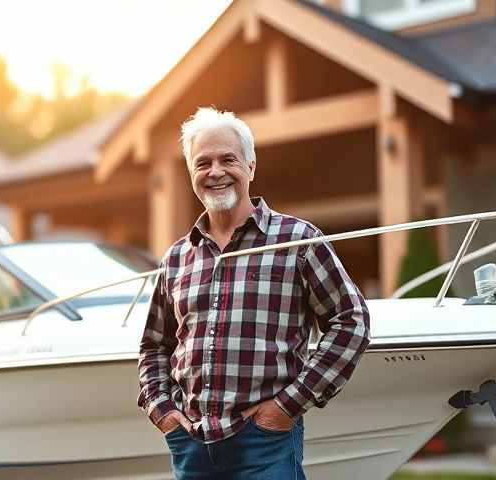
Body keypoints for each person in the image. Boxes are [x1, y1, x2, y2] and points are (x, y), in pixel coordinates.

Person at [137, 107, 371, 479]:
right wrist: (163, 412)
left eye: (228, 159)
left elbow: (351, 321)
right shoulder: (178, 257)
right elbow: (154, 346)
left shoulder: (298, 240)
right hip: (191, 447)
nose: (215, 172)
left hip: (265, 442)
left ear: (251, 167)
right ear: (191, 174)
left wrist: (286, 407)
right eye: (203, 163)